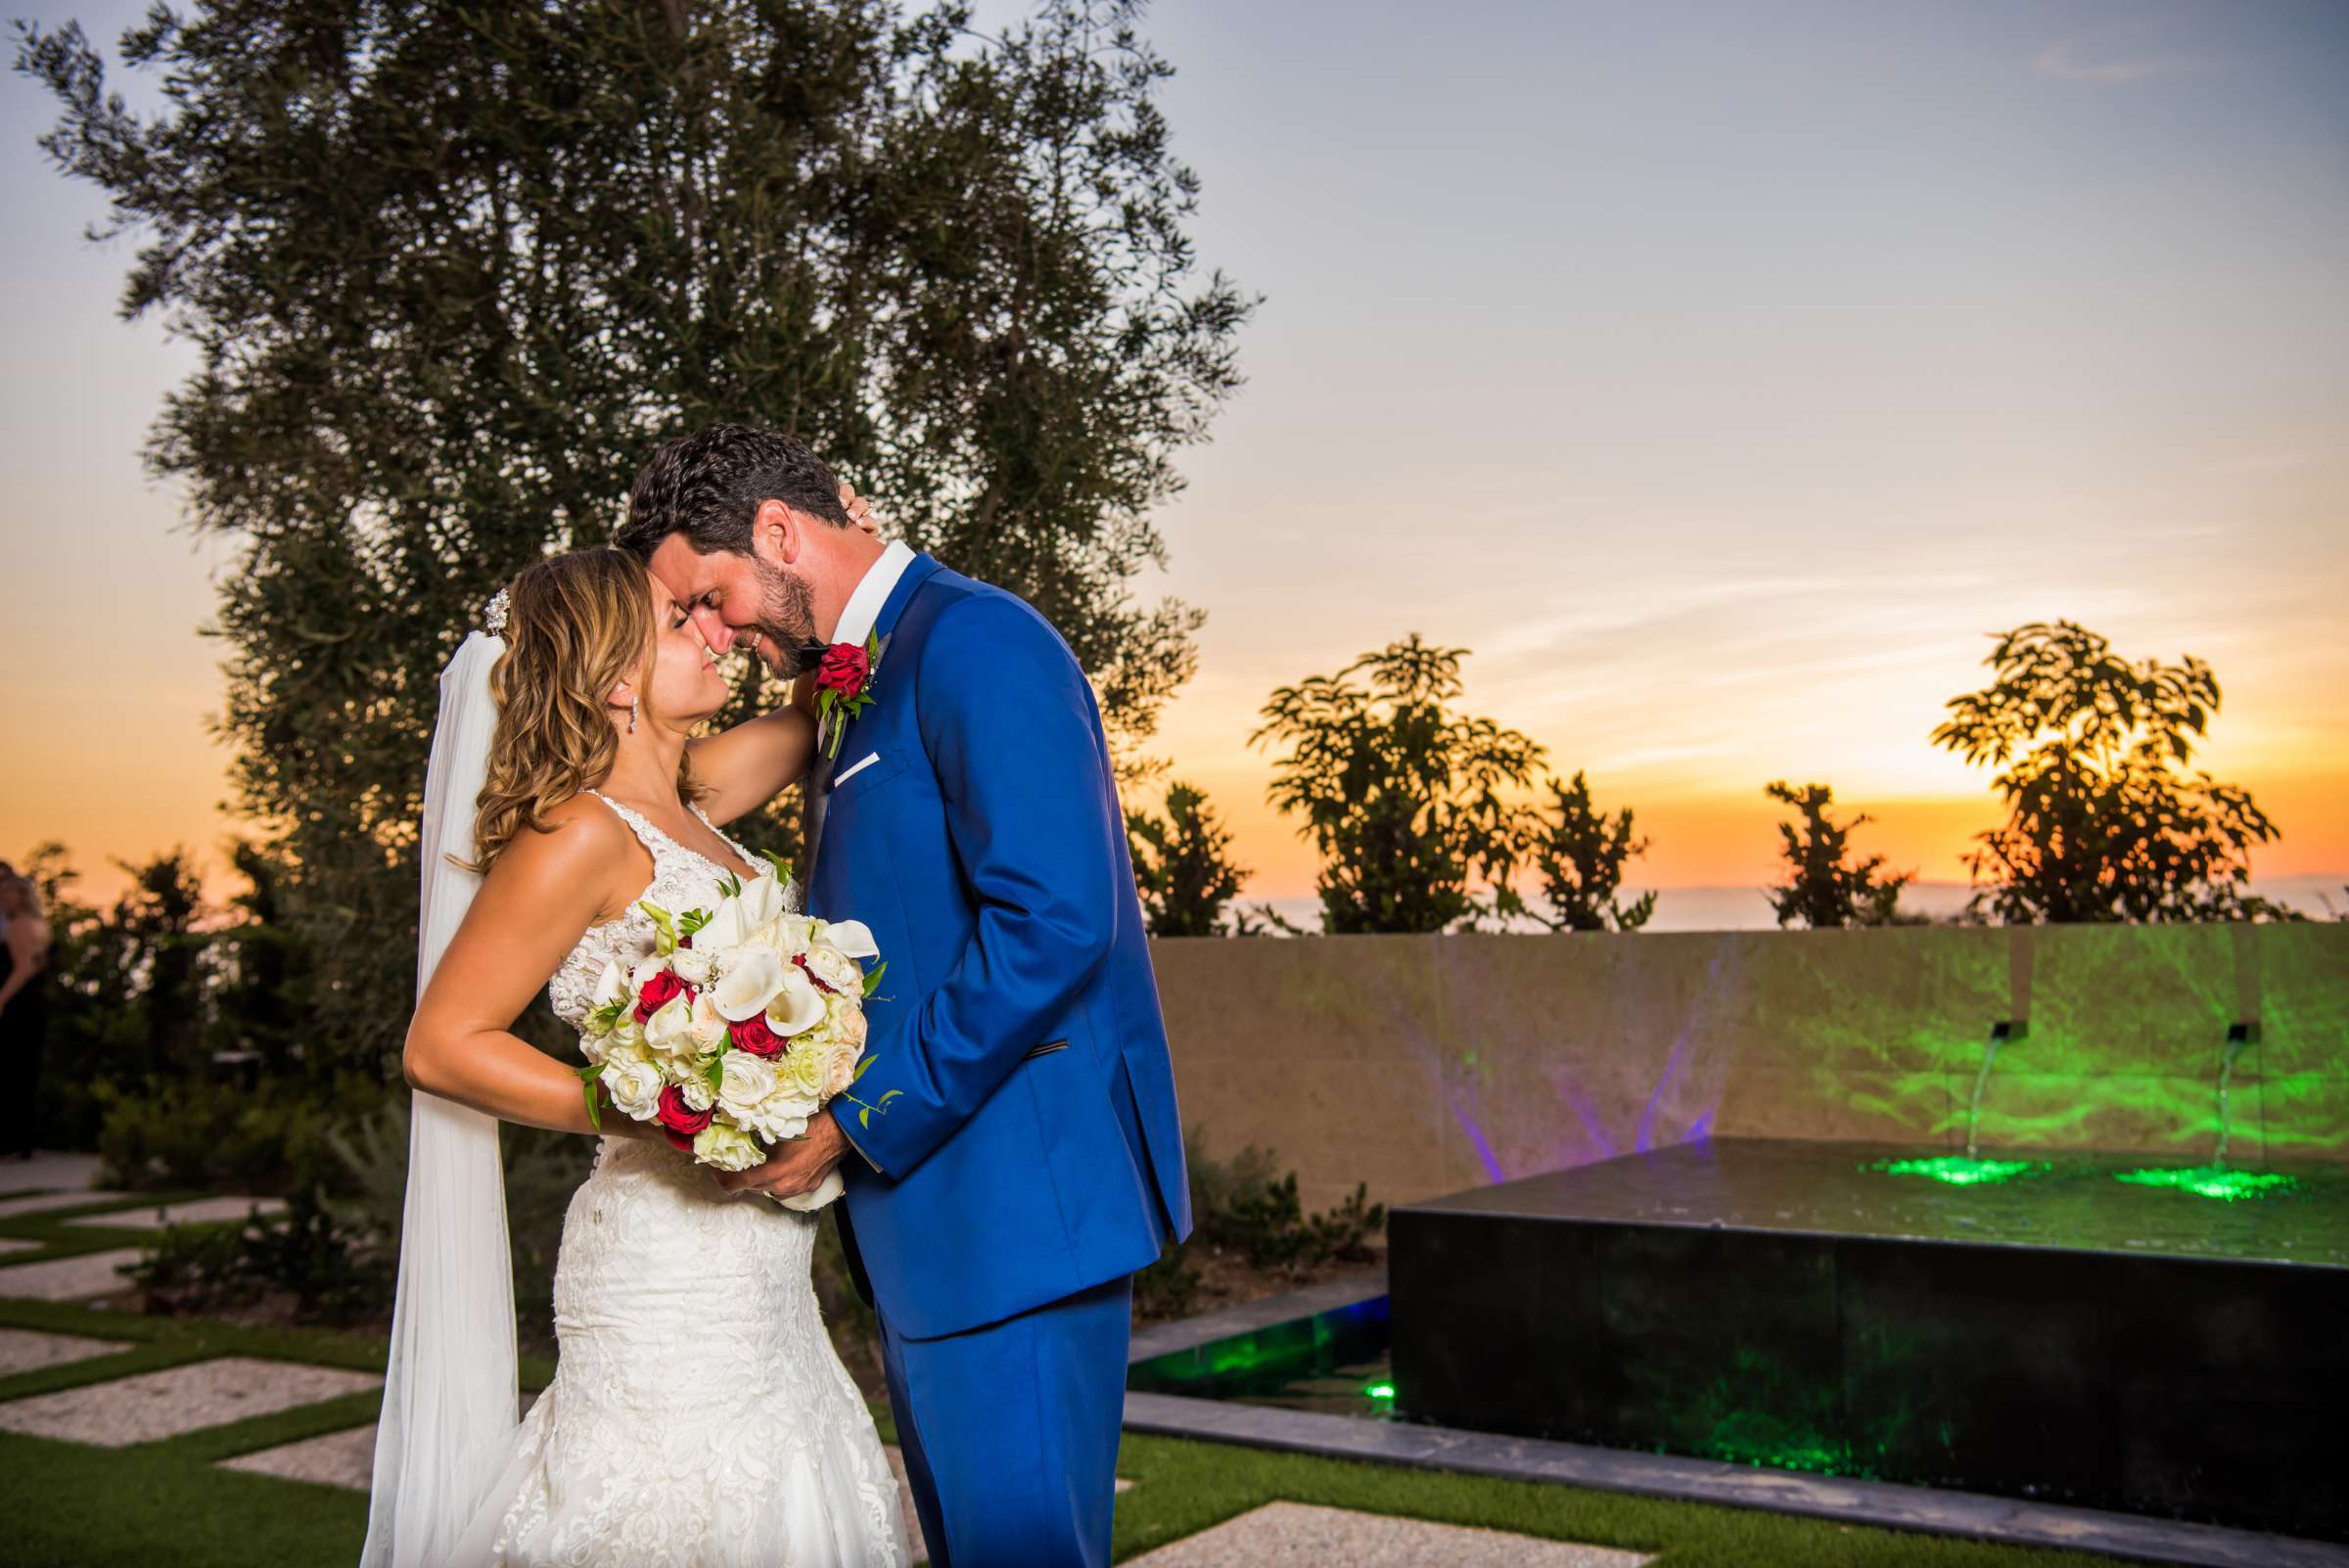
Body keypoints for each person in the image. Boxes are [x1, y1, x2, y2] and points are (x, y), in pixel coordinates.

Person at [618, 424, 1191, 1568]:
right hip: (941, 1231)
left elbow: (1055, 921)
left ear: (779, 531)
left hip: (1012, 1216)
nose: (718, 632)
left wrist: (849, 1121)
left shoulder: (977, 642)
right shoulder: (852, 678)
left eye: (713, 596)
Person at [363, 511, 911, 1566]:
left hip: (764, 1271)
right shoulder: (578, 831)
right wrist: (642, 1109)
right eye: (679, 620)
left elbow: (828, 685)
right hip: (662, 1269)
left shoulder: (696, 795)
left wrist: (846, 551)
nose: (712, 631)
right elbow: (442, 1045)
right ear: (615, 677)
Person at [0, 873, 52, 1159]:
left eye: (7, 893)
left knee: (12, 1071)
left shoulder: (19, 925)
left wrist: (1, 999)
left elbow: (23, 968)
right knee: (25, 1071)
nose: (2, 897)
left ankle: (12, 1140)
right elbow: (39, 964)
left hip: (17, 1006)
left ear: (21, 896)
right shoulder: (40, 925)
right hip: (33, 1003)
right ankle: (23, 1141)